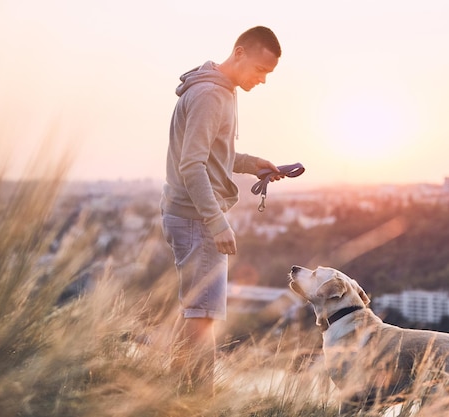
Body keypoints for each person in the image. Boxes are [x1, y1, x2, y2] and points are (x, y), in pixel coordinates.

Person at [160, 26, 284, 395]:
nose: (262, 80)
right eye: (260, 70)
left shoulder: (221, 90)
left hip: (192, 213)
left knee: (199, 315)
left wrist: (252, 163)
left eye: (268, 75)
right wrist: (217, 223)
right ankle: (199, 401)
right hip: (197, 218)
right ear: (240, 52)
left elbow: (214, 156)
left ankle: (183, 397)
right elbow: (192, 165)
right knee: (203, 319)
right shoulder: (211, 95)